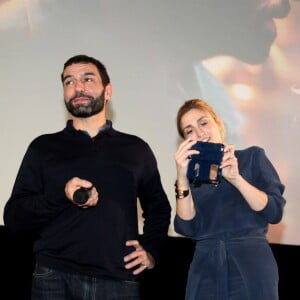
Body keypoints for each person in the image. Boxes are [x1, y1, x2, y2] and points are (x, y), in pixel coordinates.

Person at [3, 54, 171, 300]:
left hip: (118, 281)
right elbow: (14, 216)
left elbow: (159, 208)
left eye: (87, 79)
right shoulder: (43, 147)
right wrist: (62, 195)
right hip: (53, 277)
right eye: (68, 82)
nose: (77, 87)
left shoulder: (136, 149)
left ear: (108, 90)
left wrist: (152, 250)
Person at [173, 98, 286, 299]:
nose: (199, 133)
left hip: (251, 264)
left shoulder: (252, 157)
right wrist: (181, 177)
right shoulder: (192, 176)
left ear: (219, 124)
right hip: (205, 266)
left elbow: (274, 211)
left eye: (203, 123)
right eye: (189, 130)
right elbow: (186, 227)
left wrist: (236, 178)